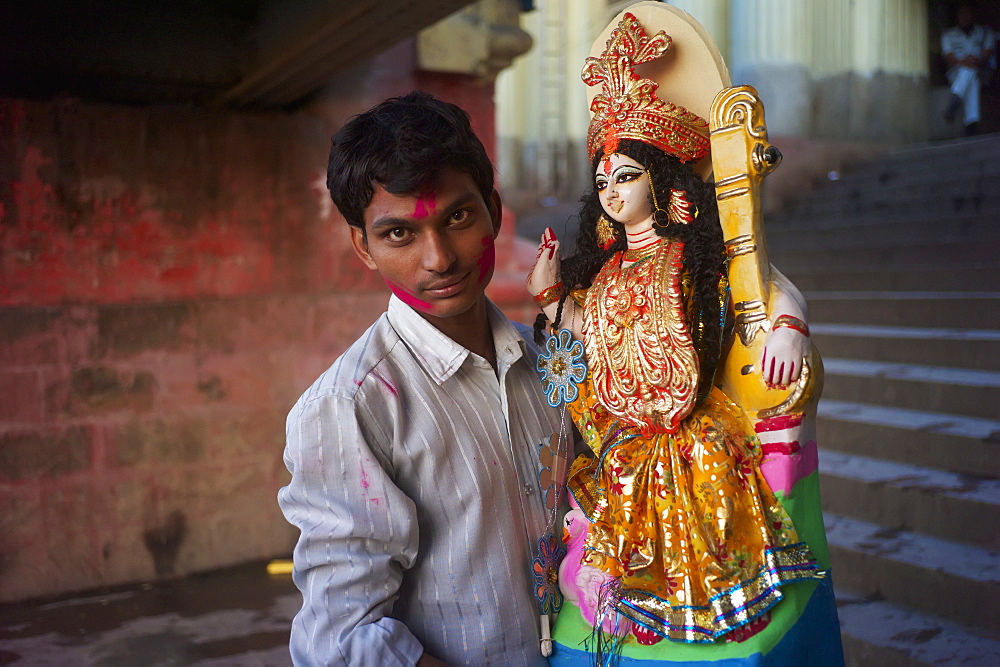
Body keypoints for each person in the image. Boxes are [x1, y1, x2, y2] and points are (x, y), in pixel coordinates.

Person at [526, 7, 842, 664]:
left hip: (689, 434)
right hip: (617, 439)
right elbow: (577, 352)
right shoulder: (600, 272)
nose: (612, 192)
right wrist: (553, 296)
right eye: (604, 180)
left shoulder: (697, 258)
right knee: (599, 512)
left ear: (663, 182)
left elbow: (768, 290)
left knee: (698, 509)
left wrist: (786, 329)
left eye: (628, 176)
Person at [278, 91, 563, 666]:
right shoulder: (352, 408)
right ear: (364, 246)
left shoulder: (554, 362)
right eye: (399, 235)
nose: (439, 258)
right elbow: (342, 640)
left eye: (457, 217)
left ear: (493, 210)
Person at [942, 1, 996, 135]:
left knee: (971, 72)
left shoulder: (983, 32)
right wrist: (962, 61)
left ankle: (955, 101)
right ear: (957, 16)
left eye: (967, 13)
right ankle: (971, 125)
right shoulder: (949, 34)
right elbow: (948, 55)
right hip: (956, 73)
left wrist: (976, 60)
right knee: (969, 74)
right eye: (961, 14)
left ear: (973, 15)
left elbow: (988, 51)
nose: (964, 16)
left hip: (980, 71)